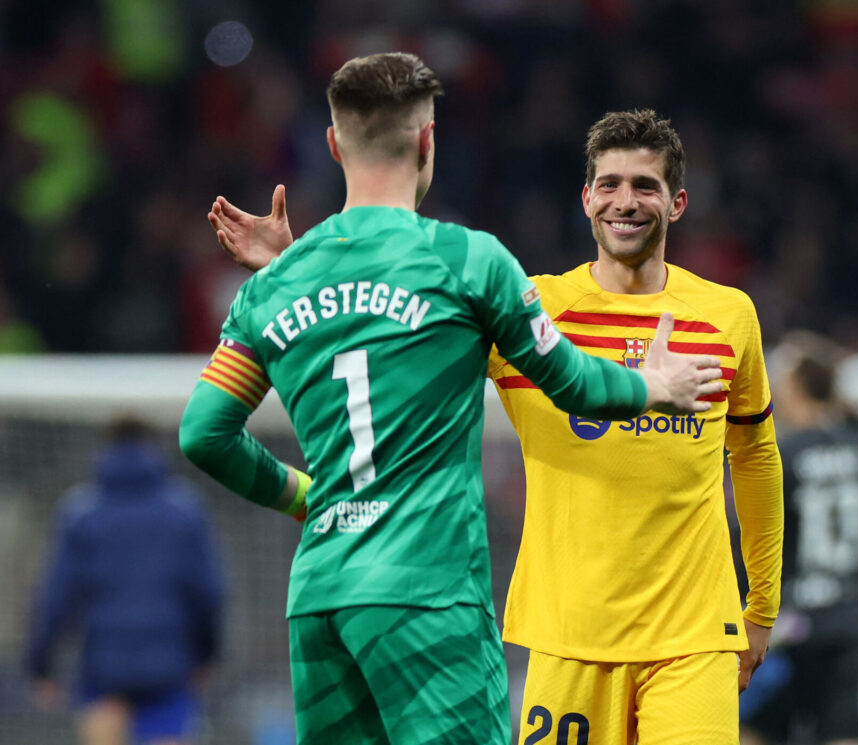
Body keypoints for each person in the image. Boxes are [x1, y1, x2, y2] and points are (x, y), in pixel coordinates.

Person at [182, 54, 724, 745]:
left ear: (333, 145)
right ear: (428, 142)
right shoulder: (467, 259)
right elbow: (576, 386)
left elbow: (204, 433)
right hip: (425, 595)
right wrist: (657, 384)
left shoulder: (278, 283)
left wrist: (304, 496)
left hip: (320, 597)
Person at [25, 415, 224, 745]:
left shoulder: (81, 514)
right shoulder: (185, 512)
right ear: (156, 449)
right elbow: (208, 592)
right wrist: (207, 656)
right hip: (168, 665)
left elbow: (56, 597)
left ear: (104, 450)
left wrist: (40, 665)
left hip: (104, 667)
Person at [739, 330, 858, 745]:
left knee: (754, 730)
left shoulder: (785, 457)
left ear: (793, 388)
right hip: (846, 618)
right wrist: (835, 392)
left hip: (788, 623)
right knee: (843, 731)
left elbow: (756, 535)